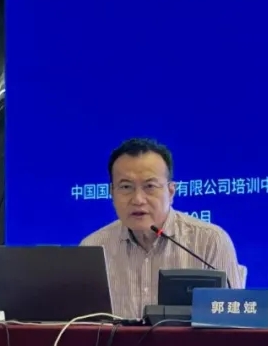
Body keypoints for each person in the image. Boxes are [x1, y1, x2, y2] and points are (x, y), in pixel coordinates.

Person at [81, 137, 242, 319]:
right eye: (126, 187)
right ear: (112, 193)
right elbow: (81, 325)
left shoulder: (210, 242)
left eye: (150, 186)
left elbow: (234, 319)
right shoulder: (93, 247)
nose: (138, 199)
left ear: (171, 192)